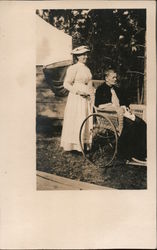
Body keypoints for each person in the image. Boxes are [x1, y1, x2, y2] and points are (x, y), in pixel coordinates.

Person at [95, 69, 147, 163]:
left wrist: (127, 107)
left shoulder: (117, 89)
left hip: (122, 114)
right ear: (106, 78)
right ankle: (126, 153)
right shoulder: (100, 89)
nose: (115, 79)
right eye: (113, 77)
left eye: (116, 77)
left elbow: (125, 101)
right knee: (131, 125)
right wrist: (113, 107)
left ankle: (140, 152)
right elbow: (98, 105)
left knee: (141, 123)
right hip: (110, 115)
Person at [61, 45, 95, 152]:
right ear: (77, 57)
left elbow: (89, 83)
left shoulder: (87, 69)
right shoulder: (73, 68)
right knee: (76, 119)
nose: (85, 56)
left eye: (86, 54)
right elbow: (66, 84)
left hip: (86, 98)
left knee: (85, 118)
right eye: (82, 55)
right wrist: (78, 91)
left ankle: (84, 144)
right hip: (76, 98)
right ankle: (73, 145)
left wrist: (91, 91)